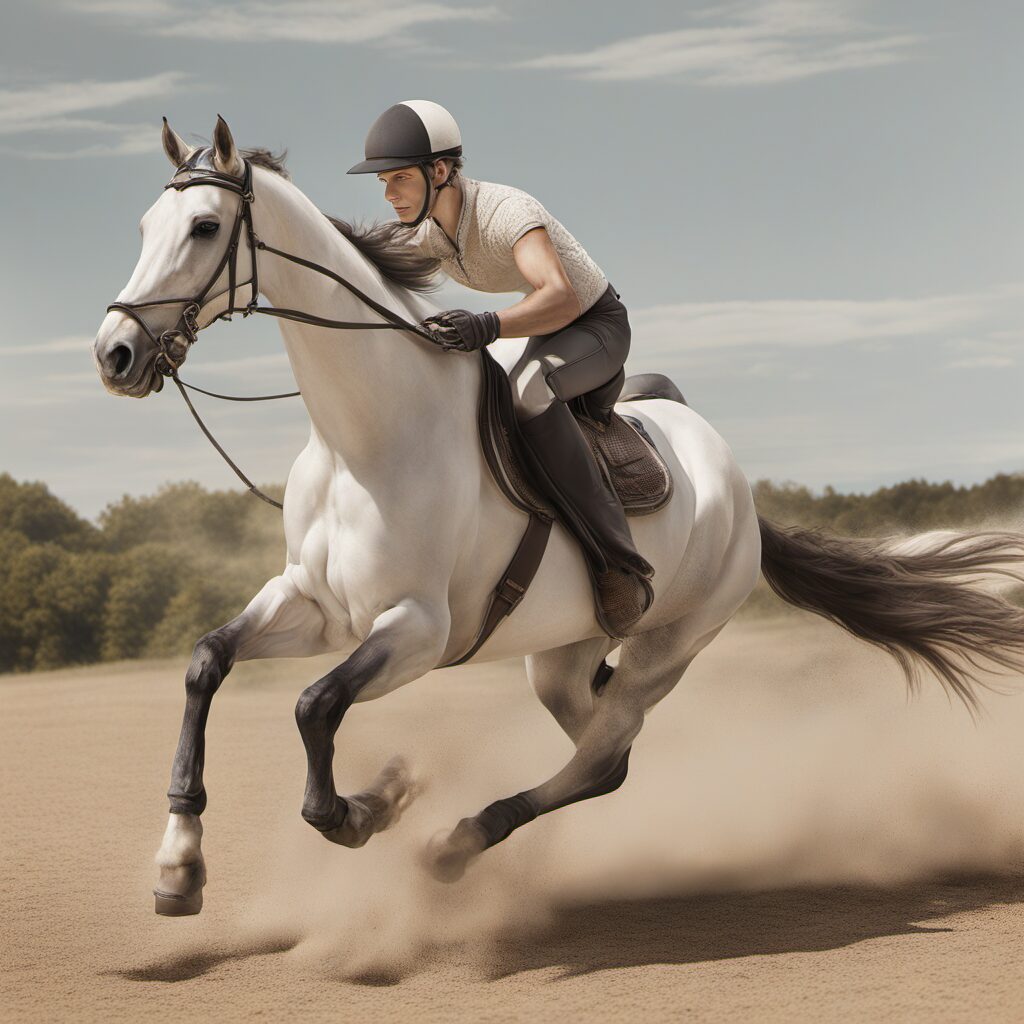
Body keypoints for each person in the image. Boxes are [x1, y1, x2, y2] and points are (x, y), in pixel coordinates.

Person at [347, 99, 654, 638]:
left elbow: (558, 297)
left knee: (526, 395)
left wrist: (486, 325)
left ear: (439, 171)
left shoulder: (506, 212)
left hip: (594, 326)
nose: (389, 194)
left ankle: (619, 561)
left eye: (399, 179)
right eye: (384, 182)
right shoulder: (424, 232)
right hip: (546, 329)